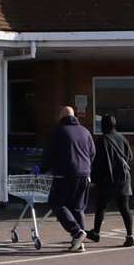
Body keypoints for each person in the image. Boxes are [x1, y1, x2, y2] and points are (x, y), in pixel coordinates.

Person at [42, 105, 95, 252]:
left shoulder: (58, 131)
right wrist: (86, 167)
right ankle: (79, 242)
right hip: (84, 174)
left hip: (64, 174)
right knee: (78, 208)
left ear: (61, 116)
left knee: (56, 202)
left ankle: (76, 232)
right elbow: (92, 153)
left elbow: (50, 154)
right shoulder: (85, 131)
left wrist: (41, 169)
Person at [86, 114, 134, 246]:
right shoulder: (122, 138)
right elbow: (130, 157)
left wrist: (94, 179)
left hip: (107, 179)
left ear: (103, 125)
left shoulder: (101, 140)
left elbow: (96, 162)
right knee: (125, 208)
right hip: (123, 179)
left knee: (101, 207)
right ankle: (130, 236)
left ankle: (96, 232)